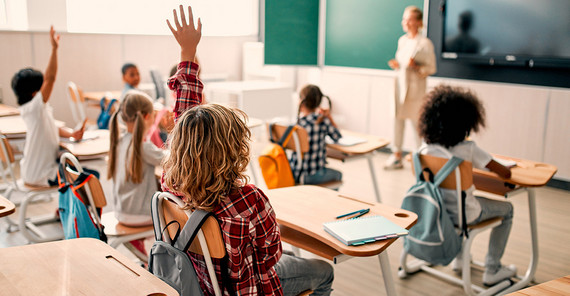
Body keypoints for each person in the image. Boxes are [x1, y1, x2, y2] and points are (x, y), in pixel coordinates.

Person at [161, 6, 334, 295]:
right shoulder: (249, 200)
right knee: (324, 272)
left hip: (201, 283)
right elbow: (271, 257)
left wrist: (187, 53)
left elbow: (186, 120)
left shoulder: (173, 181)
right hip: (247, 289)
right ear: (234, 150)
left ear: (181, 146)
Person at [418, 84, 516, 286]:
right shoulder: (468, 148)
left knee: (458, 201)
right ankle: (493, 268)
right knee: (508, 210)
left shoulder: (426, 148)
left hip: (437, 211)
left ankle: (460, 259)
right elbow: (504, 172)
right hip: (466, 214)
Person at [11, 26, 89, 186]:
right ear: (34, 92)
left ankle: (65, 209)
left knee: (84, 174)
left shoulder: (36, 110)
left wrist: (72, 134)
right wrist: (54, 49)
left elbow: (52, 126)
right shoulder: (34, 108)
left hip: (38, 170)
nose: (45, 89)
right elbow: (51, 78)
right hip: (40, 174)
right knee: (89, 180)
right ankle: (68, 210)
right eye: (41, 87)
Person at [107, 90, 166, 257]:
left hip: (120, 212)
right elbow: (169, 160)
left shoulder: (119, 141)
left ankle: (139, 241)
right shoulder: (143, 147)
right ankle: (157, 253)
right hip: (140, 216)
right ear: (148, 117)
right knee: (175, 211)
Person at [385, 5, 436, 170]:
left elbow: (431, 68)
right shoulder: (403, 40)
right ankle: (397, 155)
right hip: (400, 86)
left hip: (415, 90)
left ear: (418, 22)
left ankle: (422, 157)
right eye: (404, 18)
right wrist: (397, 65)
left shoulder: (425, 43)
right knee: (397, 120)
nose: (405, 22)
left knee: (417, 124)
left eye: (409, 19)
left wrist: (415, 67)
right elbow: (402, 63)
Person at [290, 84, 342, 185]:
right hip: (313, 175)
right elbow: (337, 137)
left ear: (301, 102)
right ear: (319, 102)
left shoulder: (297, 123)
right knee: (338, 175)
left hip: (295, 173)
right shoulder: (322, 121)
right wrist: (329, 116)